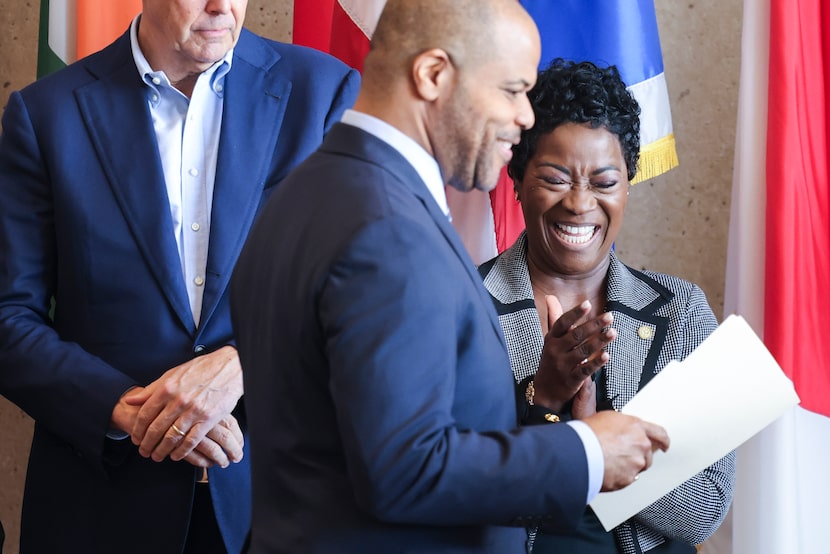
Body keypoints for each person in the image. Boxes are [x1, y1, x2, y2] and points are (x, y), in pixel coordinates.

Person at [230, 1, 671, 552]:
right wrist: (585, 452)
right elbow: (405, 469)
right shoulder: (387, 228)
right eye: (512, 91)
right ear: (433, 74)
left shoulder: (311, 191)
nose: (527, 117)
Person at [0, 0, 359, 552]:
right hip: (100, 505)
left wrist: (245, 363)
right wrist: (127, 410)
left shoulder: (325, 92)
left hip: (283, 502)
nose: (222, 6)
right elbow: (8, 318)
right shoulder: (45, 113)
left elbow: (366, 294)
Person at [478, 59, 736, 553]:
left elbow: (705, 507)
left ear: (626, 186)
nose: (579, 203)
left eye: (603, 181)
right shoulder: (463, 304)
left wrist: (596, 439)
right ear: (517, 177)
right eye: (555, 177)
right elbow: (448, 489)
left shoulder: (681, 312)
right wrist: (545, 404)